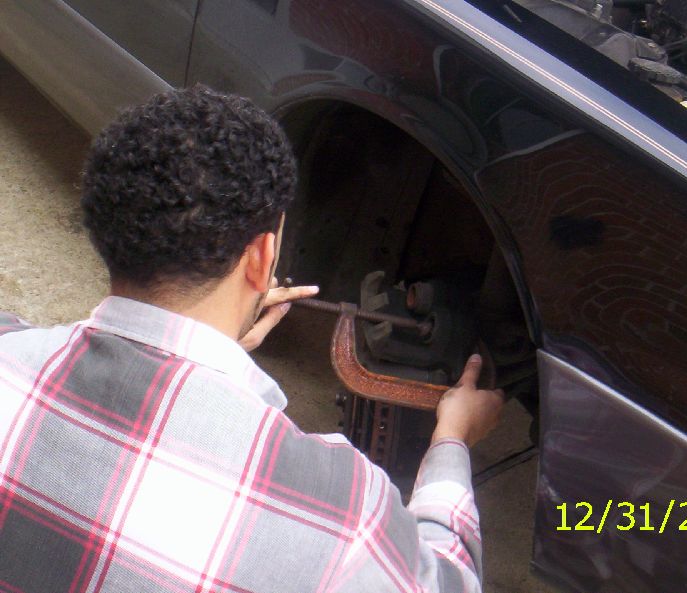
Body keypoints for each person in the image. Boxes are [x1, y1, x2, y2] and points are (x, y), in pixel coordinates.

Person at [0, 85, 504, 593]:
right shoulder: (341, 513)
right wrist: (452, 440)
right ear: (263, 258)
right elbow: (449, 582)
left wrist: (209, 352)